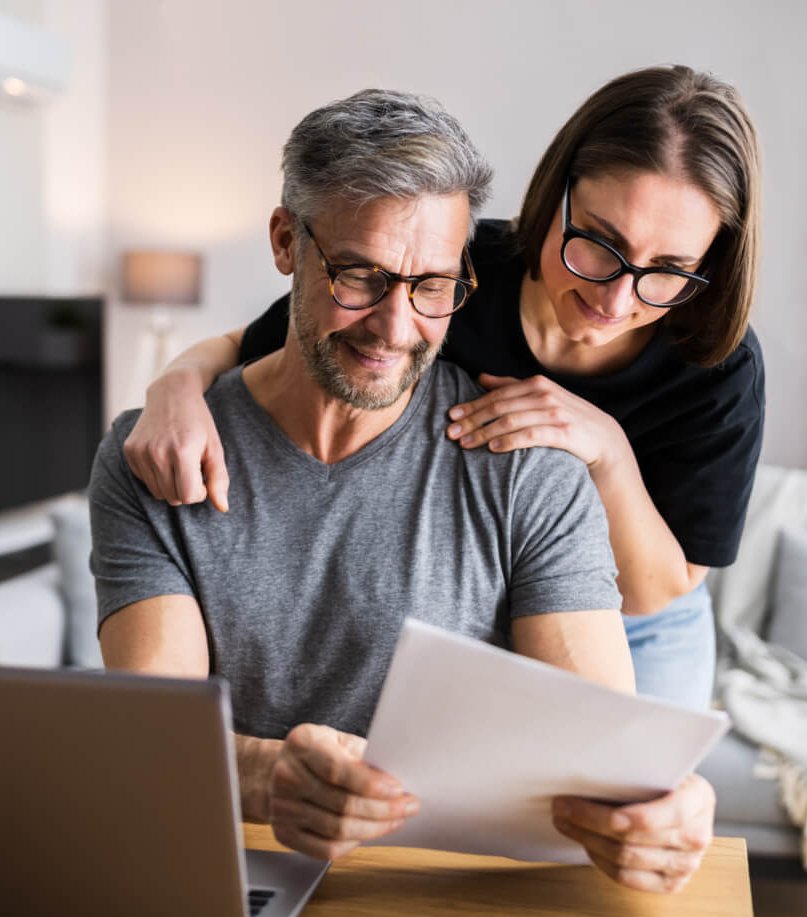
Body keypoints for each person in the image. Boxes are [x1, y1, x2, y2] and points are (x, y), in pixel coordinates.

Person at [91, 89, 715, 894]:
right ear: (286, 243)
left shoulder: (530, 466)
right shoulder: (159, 456)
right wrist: (263, 777)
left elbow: (601, 757)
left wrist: (671, 806)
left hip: (443, 906)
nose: (394, 327)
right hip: (228, 881)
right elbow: (151, 736)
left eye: (432, 286)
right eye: (360, 276)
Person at [123, 65, 765, 711]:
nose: (616, 296)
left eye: (669, 270)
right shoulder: (444, 269)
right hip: (507, 588)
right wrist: (174, 388)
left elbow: (657, 590)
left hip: (644, 621)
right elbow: (254, 345)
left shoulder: (716, 362)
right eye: (598, 243)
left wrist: (607, 449)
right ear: (555, 196)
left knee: (632, 794)